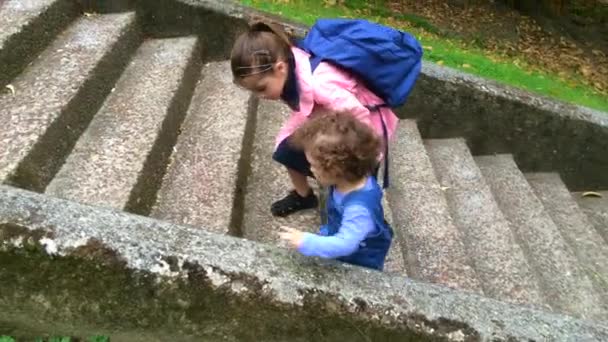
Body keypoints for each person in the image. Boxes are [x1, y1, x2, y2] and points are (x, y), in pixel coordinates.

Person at [230, 21, 398, 217]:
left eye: (261, 88)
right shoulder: (289, 69)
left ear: (280, 68)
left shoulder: (320, 84)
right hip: (331, 121)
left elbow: (358, 116)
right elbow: (306, 109)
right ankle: (304, 196)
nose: (260, 96)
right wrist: (287, 140)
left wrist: (360, 158)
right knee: (286, 150)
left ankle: (357, 221)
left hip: (365, 131)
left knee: (356, 184)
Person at [278, 113, 393, 271]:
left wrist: (307, 242)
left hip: (360, 256)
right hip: (340, 230)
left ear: (337, 170)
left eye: (314, 165)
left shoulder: (358, 209)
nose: (310, 169)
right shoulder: (349, 178)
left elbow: (345, 245)